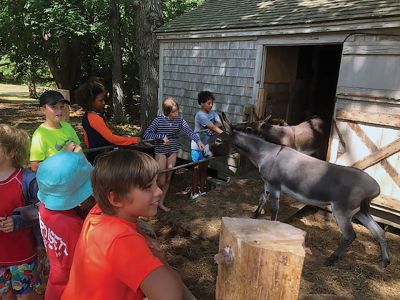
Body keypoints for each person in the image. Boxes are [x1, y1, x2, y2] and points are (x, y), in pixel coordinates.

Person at [62, 149, 183, 300]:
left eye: (155, 184)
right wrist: (158, 257)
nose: (158, 191)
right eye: (147, 187)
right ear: (116, 199)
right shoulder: (122, 240)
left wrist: (141, 235)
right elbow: (170, 296)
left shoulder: (99, 210)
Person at [36, 151, 94, 300]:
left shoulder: (44, 207)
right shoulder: (71, 224)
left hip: (55, 284)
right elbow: (82, 265)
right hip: (72, 289)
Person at [0, 124, 42, 300]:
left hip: (23, 256)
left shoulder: (27, 180)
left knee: (27, 296)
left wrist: (18, 220)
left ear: (11, 153)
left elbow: (43, 207)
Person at [143, 97, 204, 211]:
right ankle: (150, 201)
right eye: (173, 111)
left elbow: (189, 131)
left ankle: (161, 203)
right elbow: (146, 134)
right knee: (160, 180)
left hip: (173, 150)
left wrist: (198, 141)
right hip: (161, 151)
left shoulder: (180, 119)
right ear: (167, 112)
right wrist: (161, 136)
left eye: (177, 110)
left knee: (167, 179)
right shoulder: (159, 120)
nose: (176, 113)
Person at [75, 79, 141, 164]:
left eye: (104, 100)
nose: (103, 103)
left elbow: (87, 139)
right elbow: (111, 138)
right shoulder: (94, 118)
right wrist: (133, 140)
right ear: (90, 101)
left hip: (94, 155)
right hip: (102, 157)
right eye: (100, 100)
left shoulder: (86, 117)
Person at [30, 90, 82, 171]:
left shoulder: (67, 127)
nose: (59, 111)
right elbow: (35, 166)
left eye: (62, 107)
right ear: (43, 109)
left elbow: (78, 149)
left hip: (72, 175)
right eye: (54, 107)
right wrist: (65, 155)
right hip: (54, 181)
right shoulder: (39, 135)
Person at [190, 91, 223, 200]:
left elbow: (219, 123)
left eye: (212, 103)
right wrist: (223, 134)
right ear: (202, 103)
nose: (211, 105)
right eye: (208, 103)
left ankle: (202, 190)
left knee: (204, 169)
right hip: (197, 145)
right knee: (196, 169)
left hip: (207, 146)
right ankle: (193, 192)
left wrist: (214, 126)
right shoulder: (200, 115)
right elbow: (213, 127)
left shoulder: (213, 113)